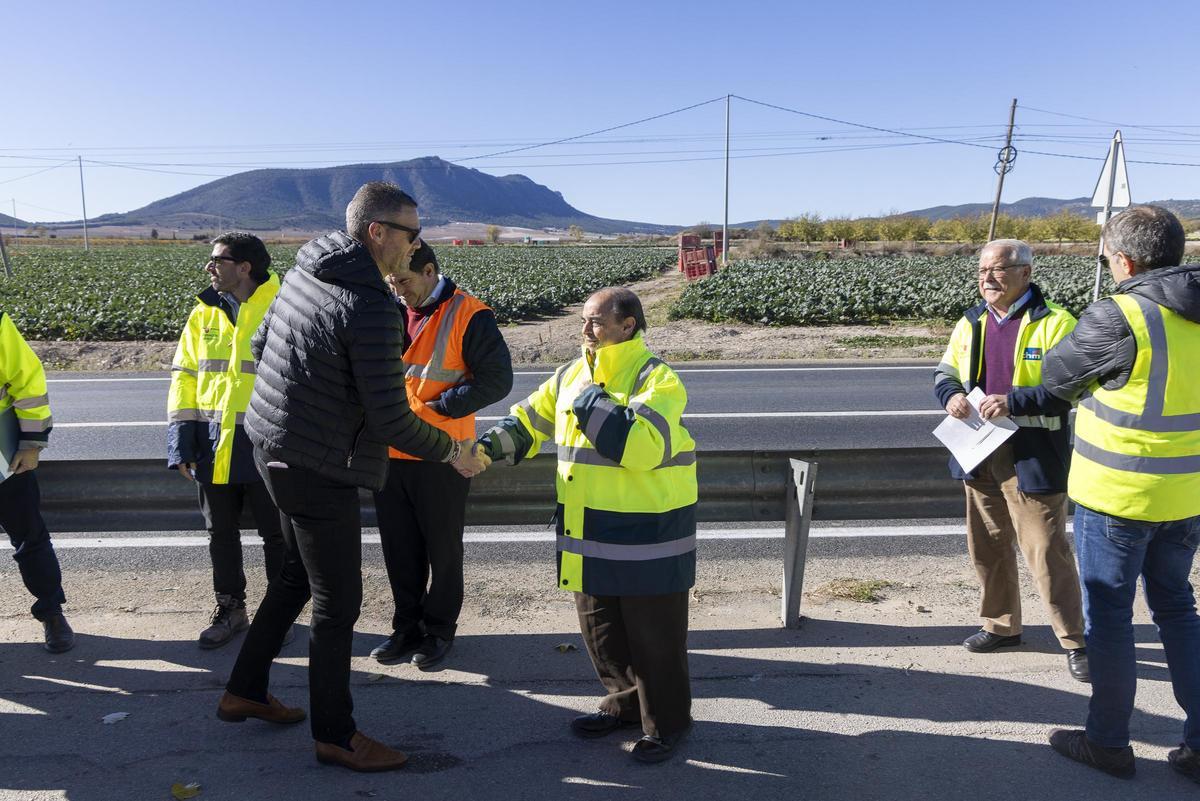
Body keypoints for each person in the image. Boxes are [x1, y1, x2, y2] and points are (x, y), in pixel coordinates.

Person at [216, 182, 489, 773]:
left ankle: (245, 689)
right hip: (318, 467)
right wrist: (450, 452)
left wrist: (309, 401)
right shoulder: (368, 307)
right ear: (378, 233)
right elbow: (392, 419)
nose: (417, 244)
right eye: (412, 233)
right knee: (338, 606)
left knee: (293, 578)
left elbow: (265, 346)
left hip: (271, 446)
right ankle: (336, 736)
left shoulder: (308, 266)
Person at [479, 287, 696, 764]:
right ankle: (621, 707)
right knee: (603, 633)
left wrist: (590, 400)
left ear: (628, 325)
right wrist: (486, 448)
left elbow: (639, 450)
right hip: (587, 532)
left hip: (647, 537)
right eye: (584, 321)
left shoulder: (657, 379)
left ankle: (667, 725)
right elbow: (528, 421)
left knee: (654, 641)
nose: (585, 331)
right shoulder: (571, 374)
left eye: (595, 322)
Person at [1041, 205, 1200, 783]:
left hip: (1118, 496)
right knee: (1179, 611)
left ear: (1124, 260)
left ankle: (1108, 742)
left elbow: (1056, 380)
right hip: (1187, 496)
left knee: (1108, 618)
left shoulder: (1121, 315)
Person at [934, 239, 1088, 681]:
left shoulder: (1057, 323)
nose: (987, 279)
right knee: (987, 546)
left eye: (998, 270)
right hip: (978, 451)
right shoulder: (971, 321)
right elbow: (944, 371)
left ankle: (1073, 640)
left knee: (1046, 551)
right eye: (982, 271)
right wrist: (953, 396)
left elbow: (1068, 389)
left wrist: (1014, 402)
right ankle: (1001, 626)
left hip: (1034, 455)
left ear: (1025, 272)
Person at [369, 242, 513, 670]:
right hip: (391, 453)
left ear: (430, 271)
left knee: (442, 551)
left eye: (405, 281)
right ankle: (405, 627)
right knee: (399, 548)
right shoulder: (389, 308)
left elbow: (497, 380)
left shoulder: (471, 314)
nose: (398, 290)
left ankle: (438, 631)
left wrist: (435, 408)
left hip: (444, 453)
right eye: (392, 282)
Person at [168, 232, 286, 649]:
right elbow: (184, 374)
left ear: (244, 267)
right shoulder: (204, 311)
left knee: (277, 536)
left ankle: (279, 615)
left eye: (217, 259)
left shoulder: (283, 305)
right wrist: (180, 438)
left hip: (267, 442)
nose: (209, 266)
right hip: (213, 441)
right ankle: (230, 609)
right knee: (221, 533)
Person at [0, 310, 73, 653]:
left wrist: (31, 444)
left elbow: (28, 382)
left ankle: (51, 612)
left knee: (29, 537)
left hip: (4, 456)